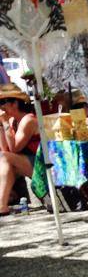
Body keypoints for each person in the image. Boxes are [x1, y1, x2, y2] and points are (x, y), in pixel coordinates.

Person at [0, 83, 40, 216]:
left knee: (4, 158)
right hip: (27, 162)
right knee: (3, 159)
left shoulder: (28, 120)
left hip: (41, 164)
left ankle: (2, 204)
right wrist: (1, 126)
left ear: (15, 103)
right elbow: (5, 149)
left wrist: (5, 123)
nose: (1, 107)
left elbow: (15, 149)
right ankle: (3, 203)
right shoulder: (13, 121)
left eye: (3, 102)